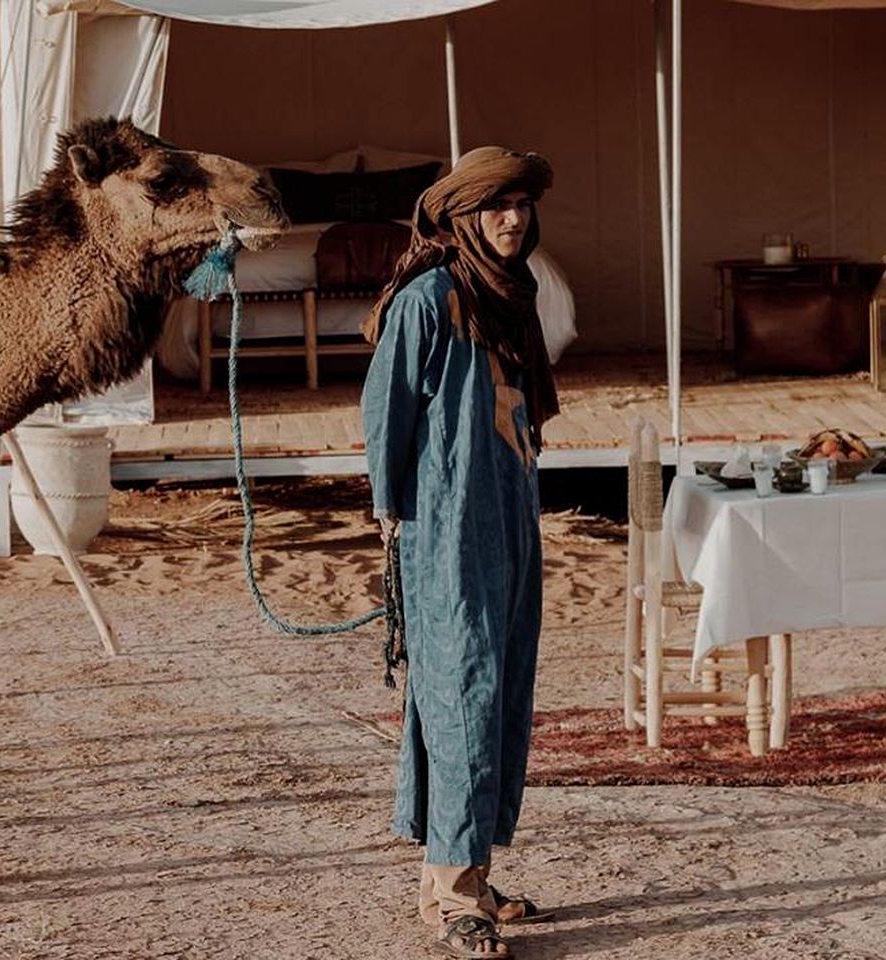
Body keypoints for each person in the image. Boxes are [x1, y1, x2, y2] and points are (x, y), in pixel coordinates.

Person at [360, 146, 557, 959]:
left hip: (507, 515)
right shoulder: (429, 299)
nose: (511, 220)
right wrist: (392, 519)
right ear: (461, 215)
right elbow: (386, 413)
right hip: (445, 525)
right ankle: (454, 894)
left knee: (496, 688)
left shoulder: (511, 297)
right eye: (494, 207)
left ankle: (459, 872)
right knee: (462, 695)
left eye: (519, 205)